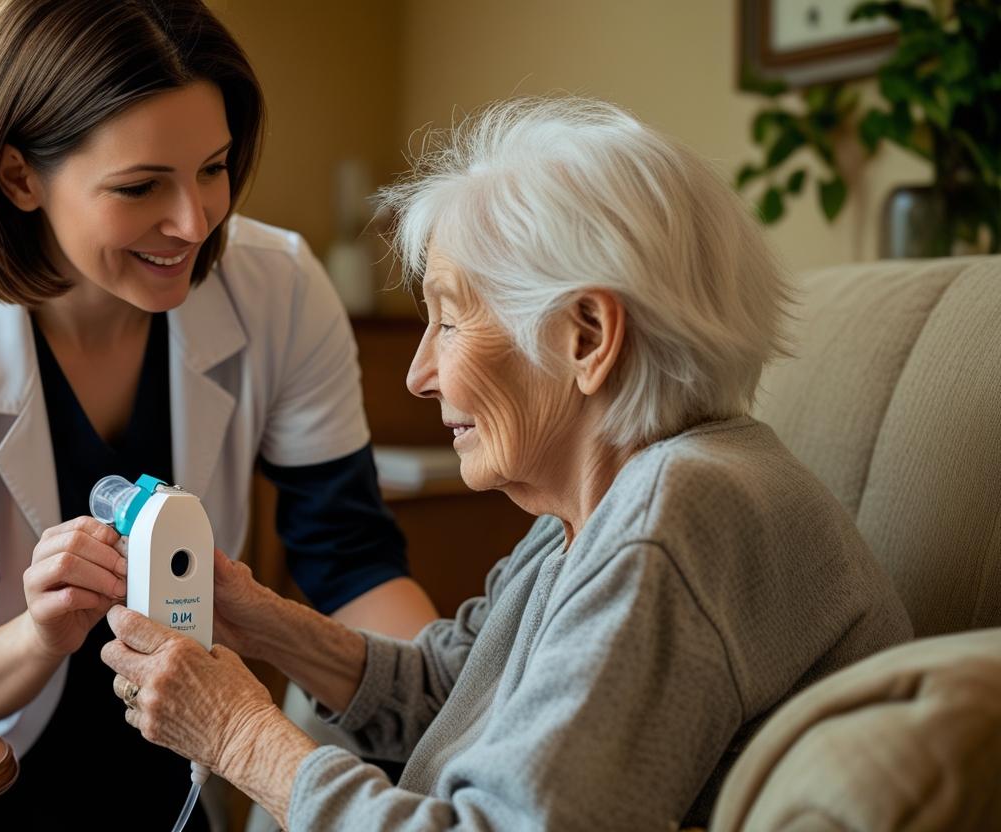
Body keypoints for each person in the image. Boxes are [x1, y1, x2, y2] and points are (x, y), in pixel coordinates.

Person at [99, 97, 915, 830]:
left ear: (586, 337)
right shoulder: (605, 505)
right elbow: (454, 691)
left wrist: (242, 736)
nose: (420, 372)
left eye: (449, 323)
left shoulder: (674, 516)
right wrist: (257, 617)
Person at [0, 0, 437, 827]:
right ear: (19, 177)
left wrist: (464, 715)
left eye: (214, 169)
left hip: (186, 782)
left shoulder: (280, 288)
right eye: (141, 185)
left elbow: (353, 560)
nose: (193, 221)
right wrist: (40, 633)